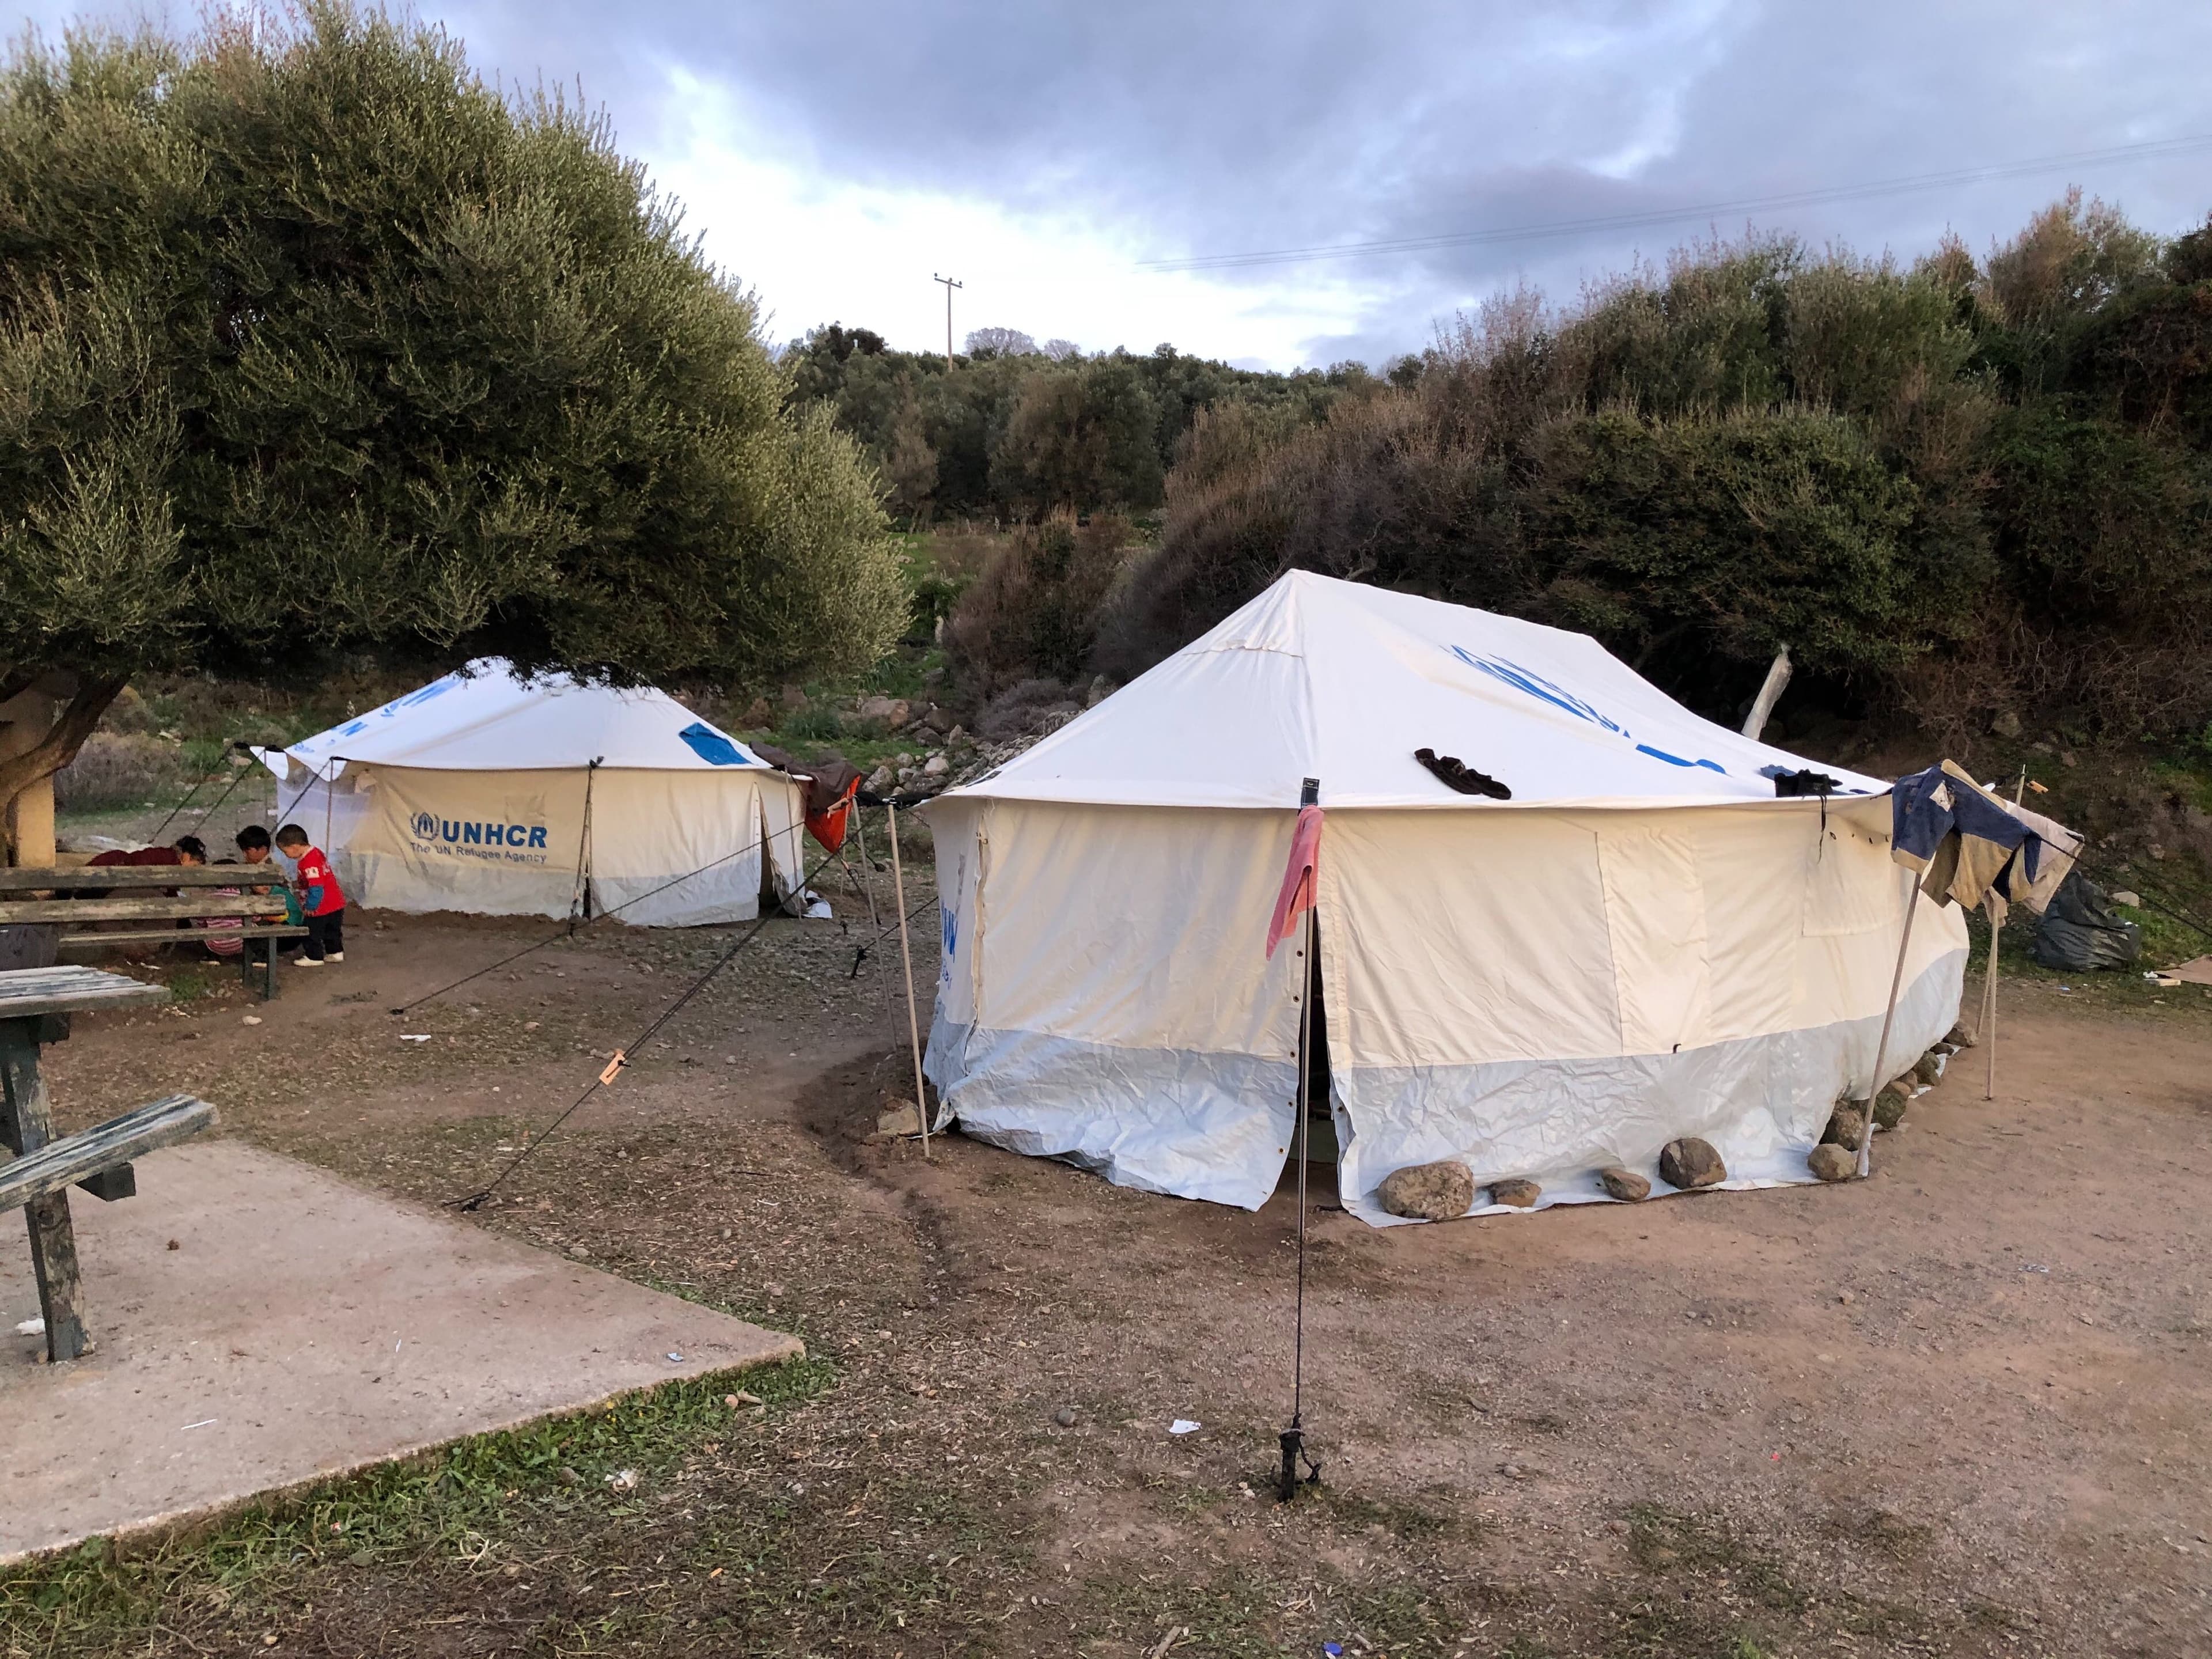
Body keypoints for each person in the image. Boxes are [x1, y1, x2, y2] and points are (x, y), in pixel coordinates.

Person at [273, 823, 345, 965]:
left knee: (311, 931)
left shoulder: (308, 862)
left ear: (295, 847)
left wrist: (311, 906)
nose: (286, 855)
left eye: (285, 851)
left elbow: (317, 887)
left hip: (320, 905)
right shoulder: (316, 852)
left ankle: (314, 956)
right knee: (332, 930)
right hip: (336, 902)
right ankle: (335, 952)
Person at [236, 825, 303, 953]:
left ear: (262, 850)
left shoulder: (270, 869)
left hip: (285, 924)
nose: (244, 855)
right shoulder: (255, 865)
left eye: (247, 850)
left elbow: (263, 893)